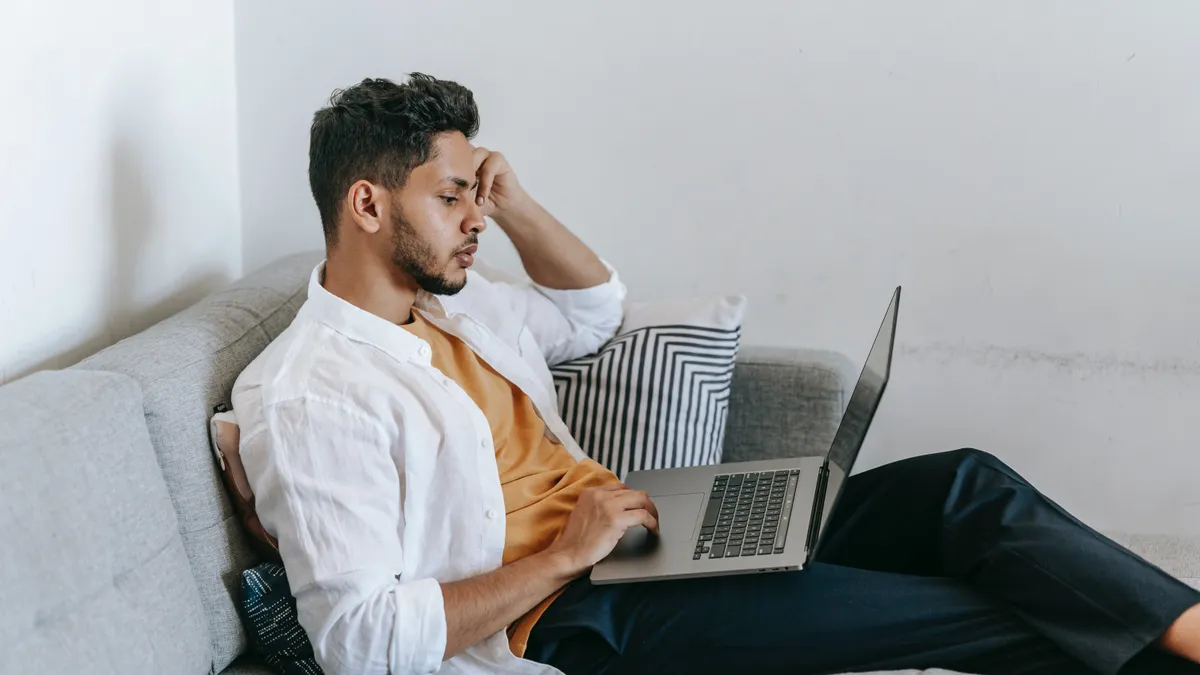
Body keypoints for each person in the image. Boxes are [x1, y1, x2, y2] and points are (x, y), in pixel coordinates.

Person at [231, 73, 1200, 675]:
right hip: (574, 615)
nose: (474, 219)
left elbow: (595, 308)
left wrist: (513, 202)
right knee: (983, 614)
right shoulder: (316, 395)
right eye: (452, 196)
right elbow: (358, 643)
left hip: (651, 536)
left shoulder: (456, 303)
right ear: (366, 203)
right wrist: (563, 556)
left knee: (963, 486)